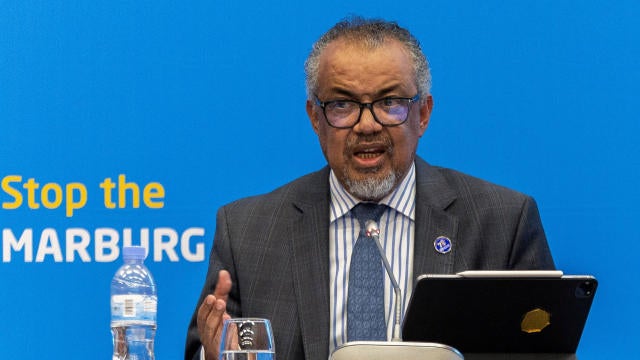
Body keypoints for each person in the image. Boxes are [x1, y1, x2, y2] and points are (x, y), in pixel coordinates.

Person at [185, 16, 555, 360]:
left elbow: (545, 352)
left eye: (389, 103)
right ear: (315, 118)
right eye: (343, 105)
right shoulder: (249, 230)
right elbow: (210, 347)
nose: (366, 125)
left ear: (423, 114)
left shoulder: (503, 222)